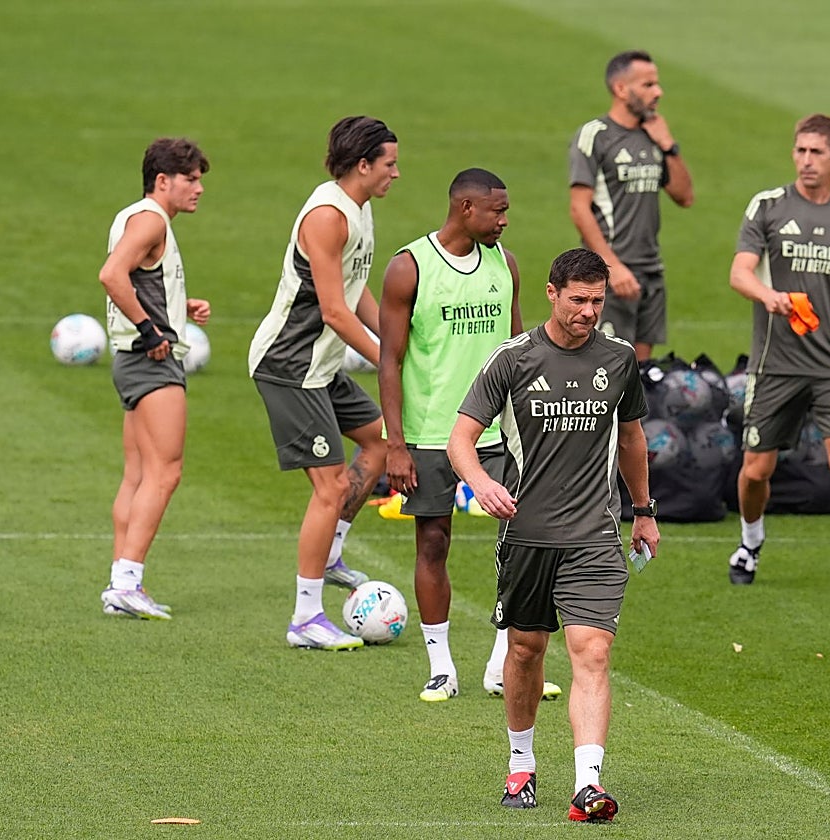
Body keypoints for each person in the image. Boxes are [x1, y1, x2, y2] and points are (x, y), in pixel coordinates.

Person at [447, 248, 659, 823]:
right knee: (525, 649)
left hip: (594, 535)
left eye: (598, 300)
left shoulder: (618, 359)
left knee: (592, 650)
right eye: (579, 300)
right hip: (527, 536)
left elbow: (633, 439)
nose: (590, 311)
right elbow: (460, 439)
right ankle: (521, 766)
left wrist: (643, 509)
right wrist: (481, 483)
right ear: (551, 292)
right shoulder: (513, 360)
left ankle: (588, 784)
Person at [378, 168, 562, 703]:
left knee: (522, 543)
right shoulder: (408, 268)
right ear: (465, 208)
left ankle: (501, 663)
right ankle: (440, 667)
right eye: (496, 211)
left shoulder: (504, 266)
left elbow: (520, 351)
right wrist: (395, 443)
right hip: (432, 431)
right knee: (433, 541)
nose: (504, 221)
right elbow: (388, 360)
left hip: (501, 432)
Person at [727, 114, 830, 599]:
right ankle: (750, 541)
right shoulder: (768, 207)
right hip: (774, 363)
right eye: (800, 151)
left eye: (816, 152)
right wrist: (768, 295)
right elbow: (740, 273)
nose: (806, 161)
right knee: (757, 470)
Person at [248, 116, 398, 650]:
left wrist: (400, 343)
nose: (396, 174)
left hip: (323, 367)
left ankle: (330, 552)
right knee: (330, 486)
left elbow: (356, 293)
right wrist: (386, 363)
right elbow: (334, 311)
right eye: (389, 164)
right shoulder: (328, 217)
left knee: (380, 442)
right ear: (362, 165)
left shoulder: (361, 209)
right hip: (290, 366)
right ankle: (305, 619)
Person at [98, 137, 211, 620]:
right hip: (151, 361)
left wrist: (174, 308)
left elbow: (137, 277)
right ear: (162, 181)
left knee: (139, 474)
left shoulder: (134, 216)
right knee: (166, 472)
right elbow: (111, 275)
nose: (199, 188)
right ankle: (128, 581)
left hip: (129, 359)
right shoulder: (151, 220)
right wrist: (151, 328)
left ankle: (119, 582)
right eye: (191, 179)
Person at [568, 49, 693, 361]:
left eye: (657, 84)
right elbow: (579, 208)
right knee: (605, 368)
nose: (658, 92)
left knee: (640, 374)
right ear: (621, 89)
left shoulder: (653, 136)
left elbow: (684, 196)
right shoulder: (595, 135)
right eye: (648, 85)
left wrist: (669, 146)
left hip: (650, 270)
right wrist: (612, 266)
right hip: (609, 271)